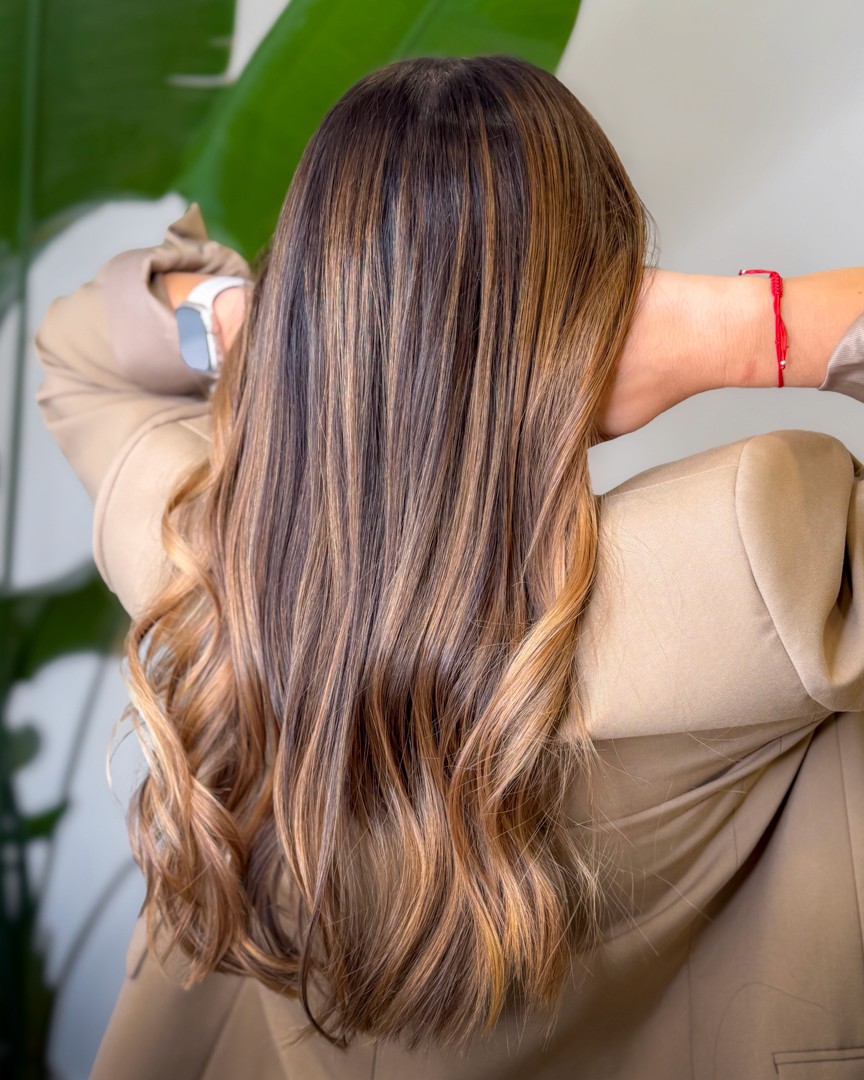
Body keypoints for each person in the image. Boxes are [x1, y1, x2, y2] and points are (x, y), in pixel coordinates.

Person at [32, 54, 864, 1080]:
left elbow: (80, 343)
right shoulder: (767, 560)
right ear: (603, 316)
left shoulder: (210, 571)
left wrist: (252, 316)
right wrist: (734, 333)